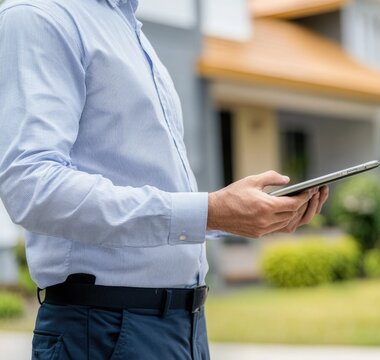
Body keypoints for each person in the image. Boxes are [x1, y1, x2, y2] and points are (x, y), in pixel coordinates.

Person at [0, 0, 329, 359]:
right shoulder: (41, 16)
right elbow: (32, 185)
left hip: (181, 326)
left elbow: (157, 191)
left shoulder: (128, 28)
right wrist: (209, 212)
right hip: (104, 328)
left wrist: (235, 217)